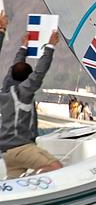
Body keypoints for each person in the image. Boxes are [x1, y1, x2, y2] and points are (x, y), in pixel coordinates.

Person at [0, 27, 63, 178]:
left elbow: (14, 69)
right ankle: (33, 178)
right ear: (27, 79)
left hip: (7, 154)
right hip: (23, 149)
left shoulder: (5, 90)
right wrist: (50, 46)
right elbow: (39, 72)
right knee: (55, 167)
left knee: (14, 187)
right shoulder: (24, 93)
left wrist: (24, 48)